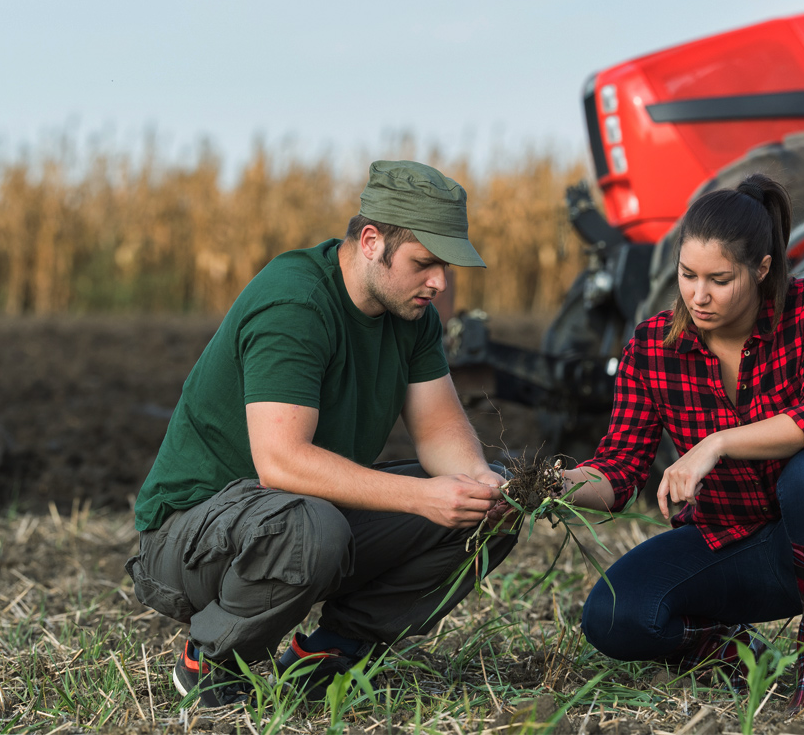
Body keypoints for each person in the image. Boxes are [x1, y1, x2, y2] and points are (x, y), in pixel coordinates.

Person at [125, 160, 515, 707]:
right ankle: (214, 660)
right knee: (313, 529)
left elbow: (440, 434)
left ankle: (332, 651)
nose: (440, 283)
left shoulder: (413, 316)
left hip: (299, 516)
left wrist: (482, 488)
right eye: (425, 263)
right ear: (372, 241)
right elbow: (280, 463)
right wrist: (423, 496)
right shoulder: (297, 301)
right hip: (190, 536)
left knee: (484, 506)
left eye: (445, 267)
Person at [561, 174, 804, 713]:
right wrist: (546, 487)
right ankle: (739, 653)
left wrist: (715, 443)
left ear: (761, 269)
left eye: (719, 279)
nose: (699, 295)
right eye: (687, 275)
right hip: (732, 540)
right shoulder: (654, 347)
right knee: (613, 614)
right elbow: (618, 470)